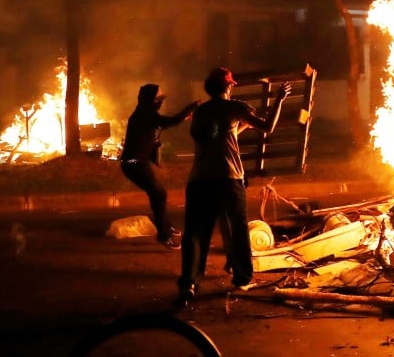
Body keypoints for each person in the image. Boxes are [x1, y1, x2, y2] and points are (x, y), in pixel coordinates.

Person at [175, 67, 290, 307]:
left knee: (195, 233)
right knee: (238, 229)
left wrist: (242, 123)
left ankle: (189, 283)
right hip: (228, 179)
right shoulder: (234, 107)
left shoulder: (201, 111)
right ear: (228, 86)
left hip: (199, 181)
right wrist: (279, 99)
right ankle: (242, 277)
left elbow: (222, 136)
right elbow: (267, 127)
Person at [120, 83, 200, 250]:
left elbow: (163, 122)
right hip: (134, 164)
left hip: (137, 163)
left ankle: (166, 227)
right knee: (158, 193)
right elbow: (171, 121)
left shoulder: (145, 113)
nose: (161, 102)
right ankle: (164, 236)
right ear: (151, 100)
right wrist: (190, 108)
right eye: (159, 99)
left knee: (158, 193)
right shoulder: (144, 114)